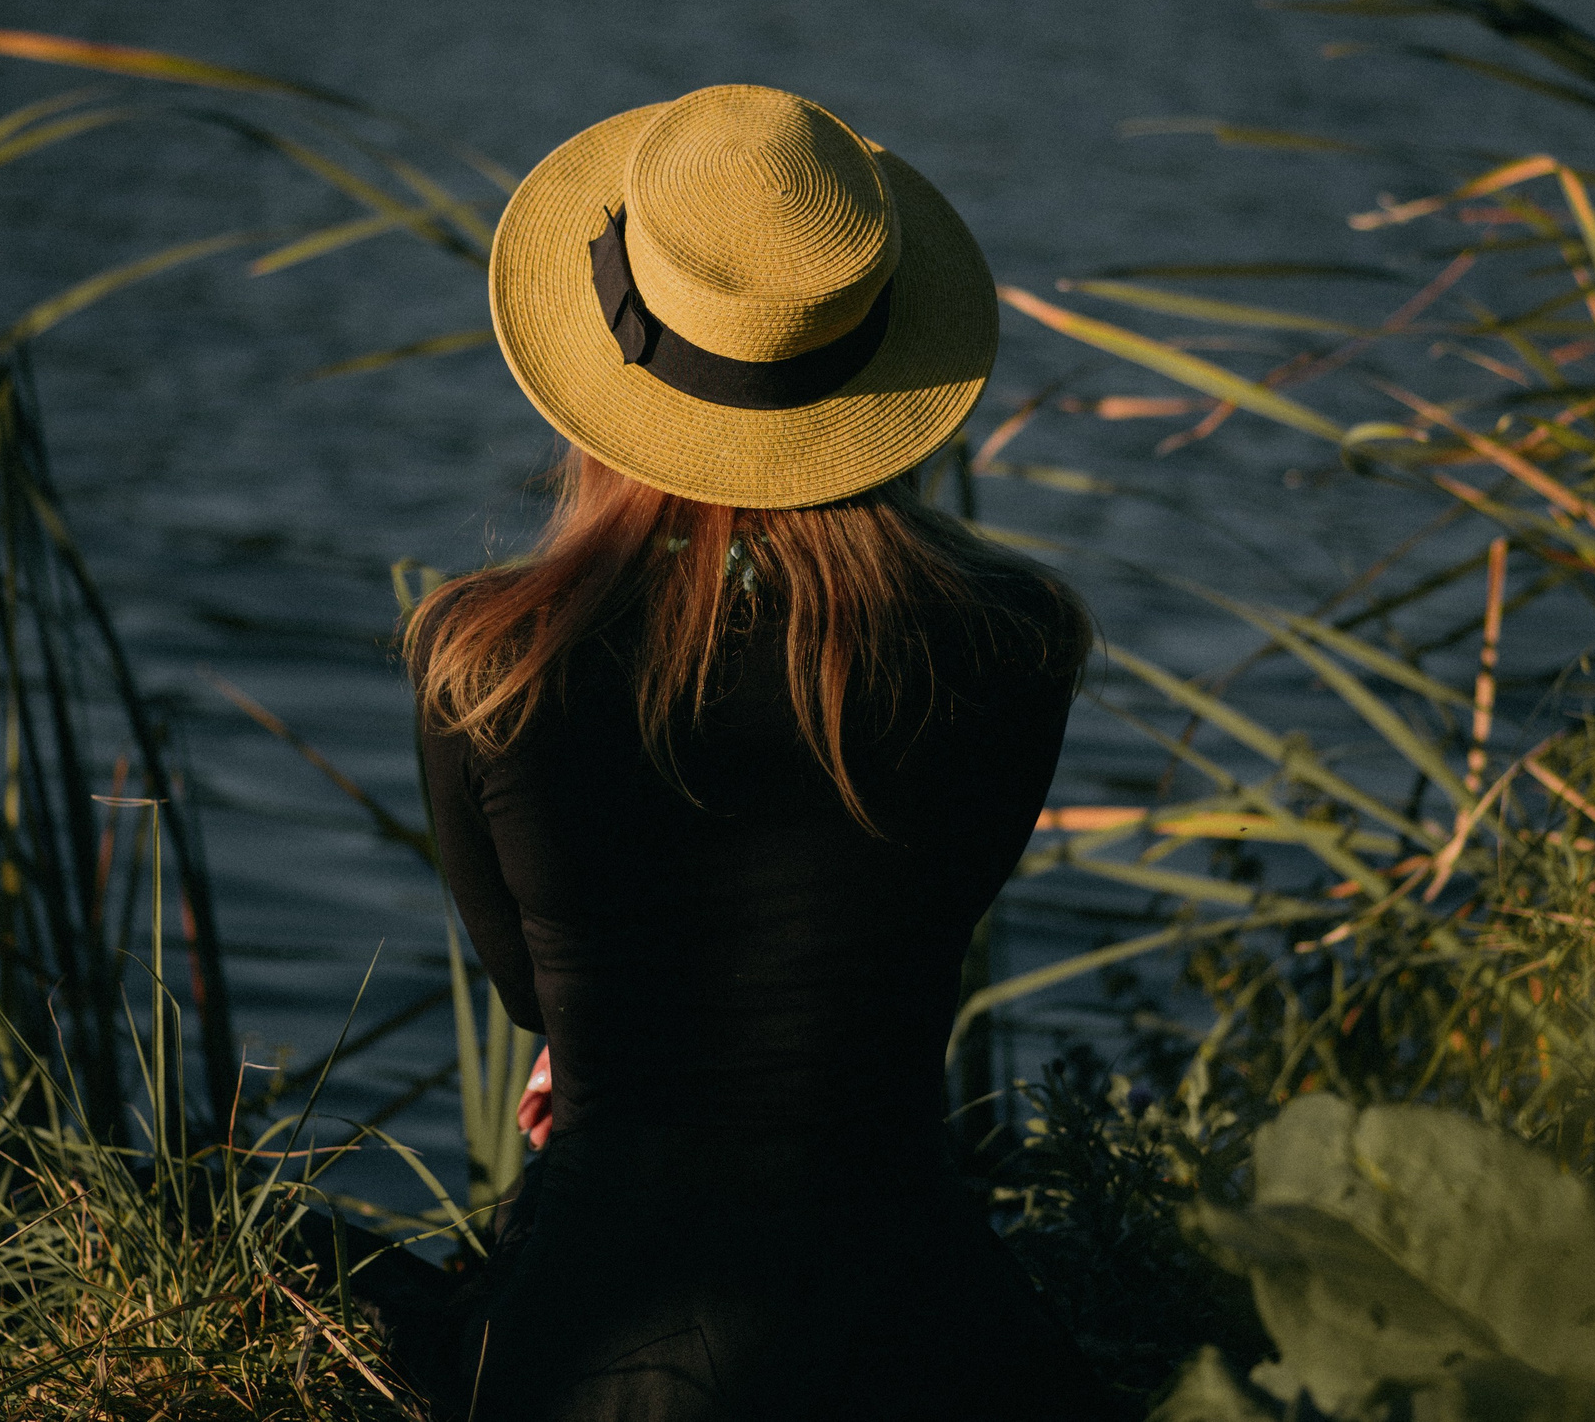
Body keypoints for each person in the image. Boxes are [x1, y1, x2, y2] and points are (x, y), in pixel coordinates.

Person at [408, 84, 1115, 1419]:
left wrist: (593, 1047)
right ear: (878, 353)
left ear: (608, 365)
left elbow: (533, 994)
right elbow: (915, 926)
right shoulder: (1016, 646)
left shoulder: (484, 660)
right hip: (918, 1333)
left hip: (596, 1347)